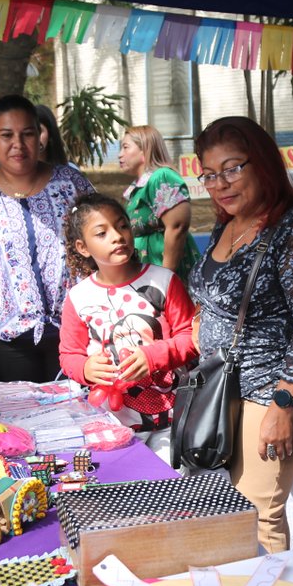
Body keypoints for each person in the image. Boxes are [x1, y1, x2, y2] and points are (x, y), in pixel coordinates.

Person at [189, 116, 293, 553]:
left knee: (257, 514)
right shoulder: (227, 224)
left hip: (272, 393)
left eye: (233, 168)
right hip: (226, 387)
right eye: (210, 174)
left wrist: (283, 404)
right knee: (228, 506)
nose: (221, 184)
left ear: (264, 164)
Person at [0, 94, 96, 382]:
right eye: (7, 135)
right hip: (3, 342)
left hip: (76, 335)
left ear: (40, 136)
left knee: (78, 420)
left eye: (27, 134)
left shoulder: (73, 185)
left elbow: (103, 250)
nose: (18, 145)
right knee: (14, 423)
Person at [59, 193, 197, 463]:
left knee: (170, 488)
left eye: (122, 226)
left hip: (172, 418)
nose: (117, 236)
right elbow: (69, 355)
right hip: (112, 425)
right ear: (83, 247)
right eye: (102, 233)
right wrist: (86, 369)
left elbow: (191, 338)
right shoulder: (77, 298)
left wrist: (155, 356)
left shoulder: (164, 281)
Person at [118, 124, 201, 282]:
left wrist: (165, 278)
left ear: (145, 149)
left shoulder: (161, 177)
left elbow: (177, 226)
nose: (120, 155)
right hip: (149, 273)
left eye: (125, 147)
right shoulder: (140, 185)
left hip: (167, 273)